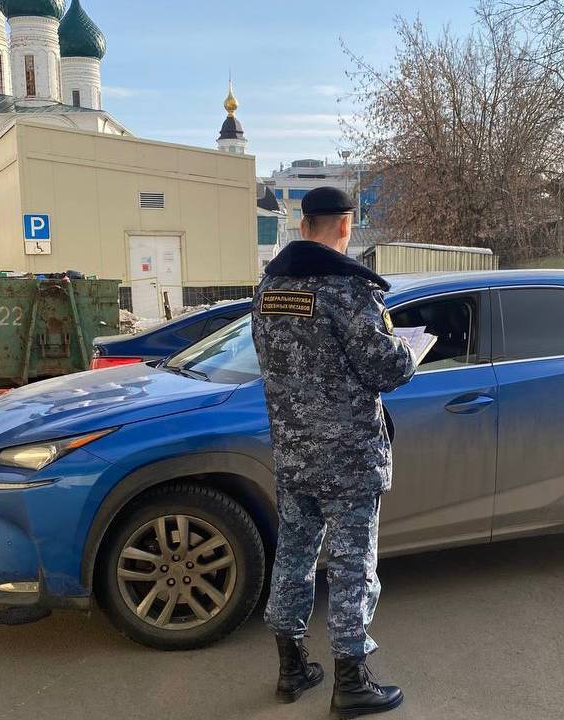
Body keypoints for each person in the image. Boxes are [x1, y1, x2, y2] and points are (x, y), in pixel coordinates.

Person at [251, 186, 417, 717]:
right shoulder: (347, 291)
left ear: (304, 226)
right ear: (345, 227)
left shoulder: (268, 290)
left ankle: (291, 667)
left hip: (293, 454)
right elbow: (385, 370)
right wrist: (409, 352)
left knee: (294, 557)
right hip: (348, 458)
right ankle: (351, 681)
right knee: (352, 563)